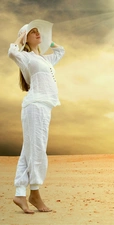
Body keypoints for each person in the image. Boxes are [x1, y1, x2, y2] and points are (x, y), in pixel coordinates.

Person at [8, 19, 65, 214]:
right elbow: (11, 52)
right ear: (26, 38)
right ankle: (35, 192)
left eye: (38, 32)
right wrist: (20, 37)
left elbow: (60, 51)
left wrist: (48, 41)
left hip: (44, 107)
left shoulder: (44, 59)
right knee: (38, 150)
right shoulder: (26, 57)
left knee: (29, 150)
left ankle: (19, 193)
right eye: (33, 32)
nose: (38, 34)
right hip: (35, 106)